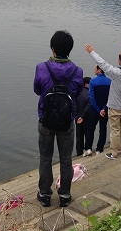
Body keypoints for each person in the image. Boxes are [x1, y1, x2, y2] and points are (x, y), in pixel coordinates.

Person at [34, 30, 84, 208]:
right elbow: (77, 93)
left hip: (46, 120)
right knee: (66, 158)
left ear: (53, 49)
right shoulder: (77, 72)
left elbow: (38, 90)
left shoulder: (42, 67)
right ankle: (64, 195)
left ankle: (45, 194)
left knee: (45, 158)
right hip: (67, 122)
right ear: (69, 50)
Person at [85, 42, 121, 160]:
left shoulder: (117, 73)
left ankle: (115, 153)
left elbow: (102, 63)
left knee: (115, 130)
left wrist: (91, 52)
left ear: (120, 62)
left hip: (115, 107)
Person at [82, 65, 110, 156]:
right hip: (105, 110)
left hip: (94, 110)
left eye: (95, 68)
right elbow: (110, 98)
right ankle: (99, 149)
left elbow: (92, 98)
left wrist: (98, 110)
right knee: (103, 129)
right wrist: (104, 108)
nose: (94, 70)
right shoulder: (110, 82)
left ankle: (88, 148)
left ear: (99, 70)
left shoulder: (93, 81)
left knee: (90, 129)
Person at [75, 77, 91, 157]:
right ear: (86, 84)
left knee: (79, 136)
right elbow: (89, 105)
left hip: (77, 117)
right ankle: (87, 149)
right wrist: (83, 116)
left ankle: (79, 152)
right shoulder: (89, 93)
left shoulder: (77, 93)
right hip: (86, 117)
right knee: (88, 134)